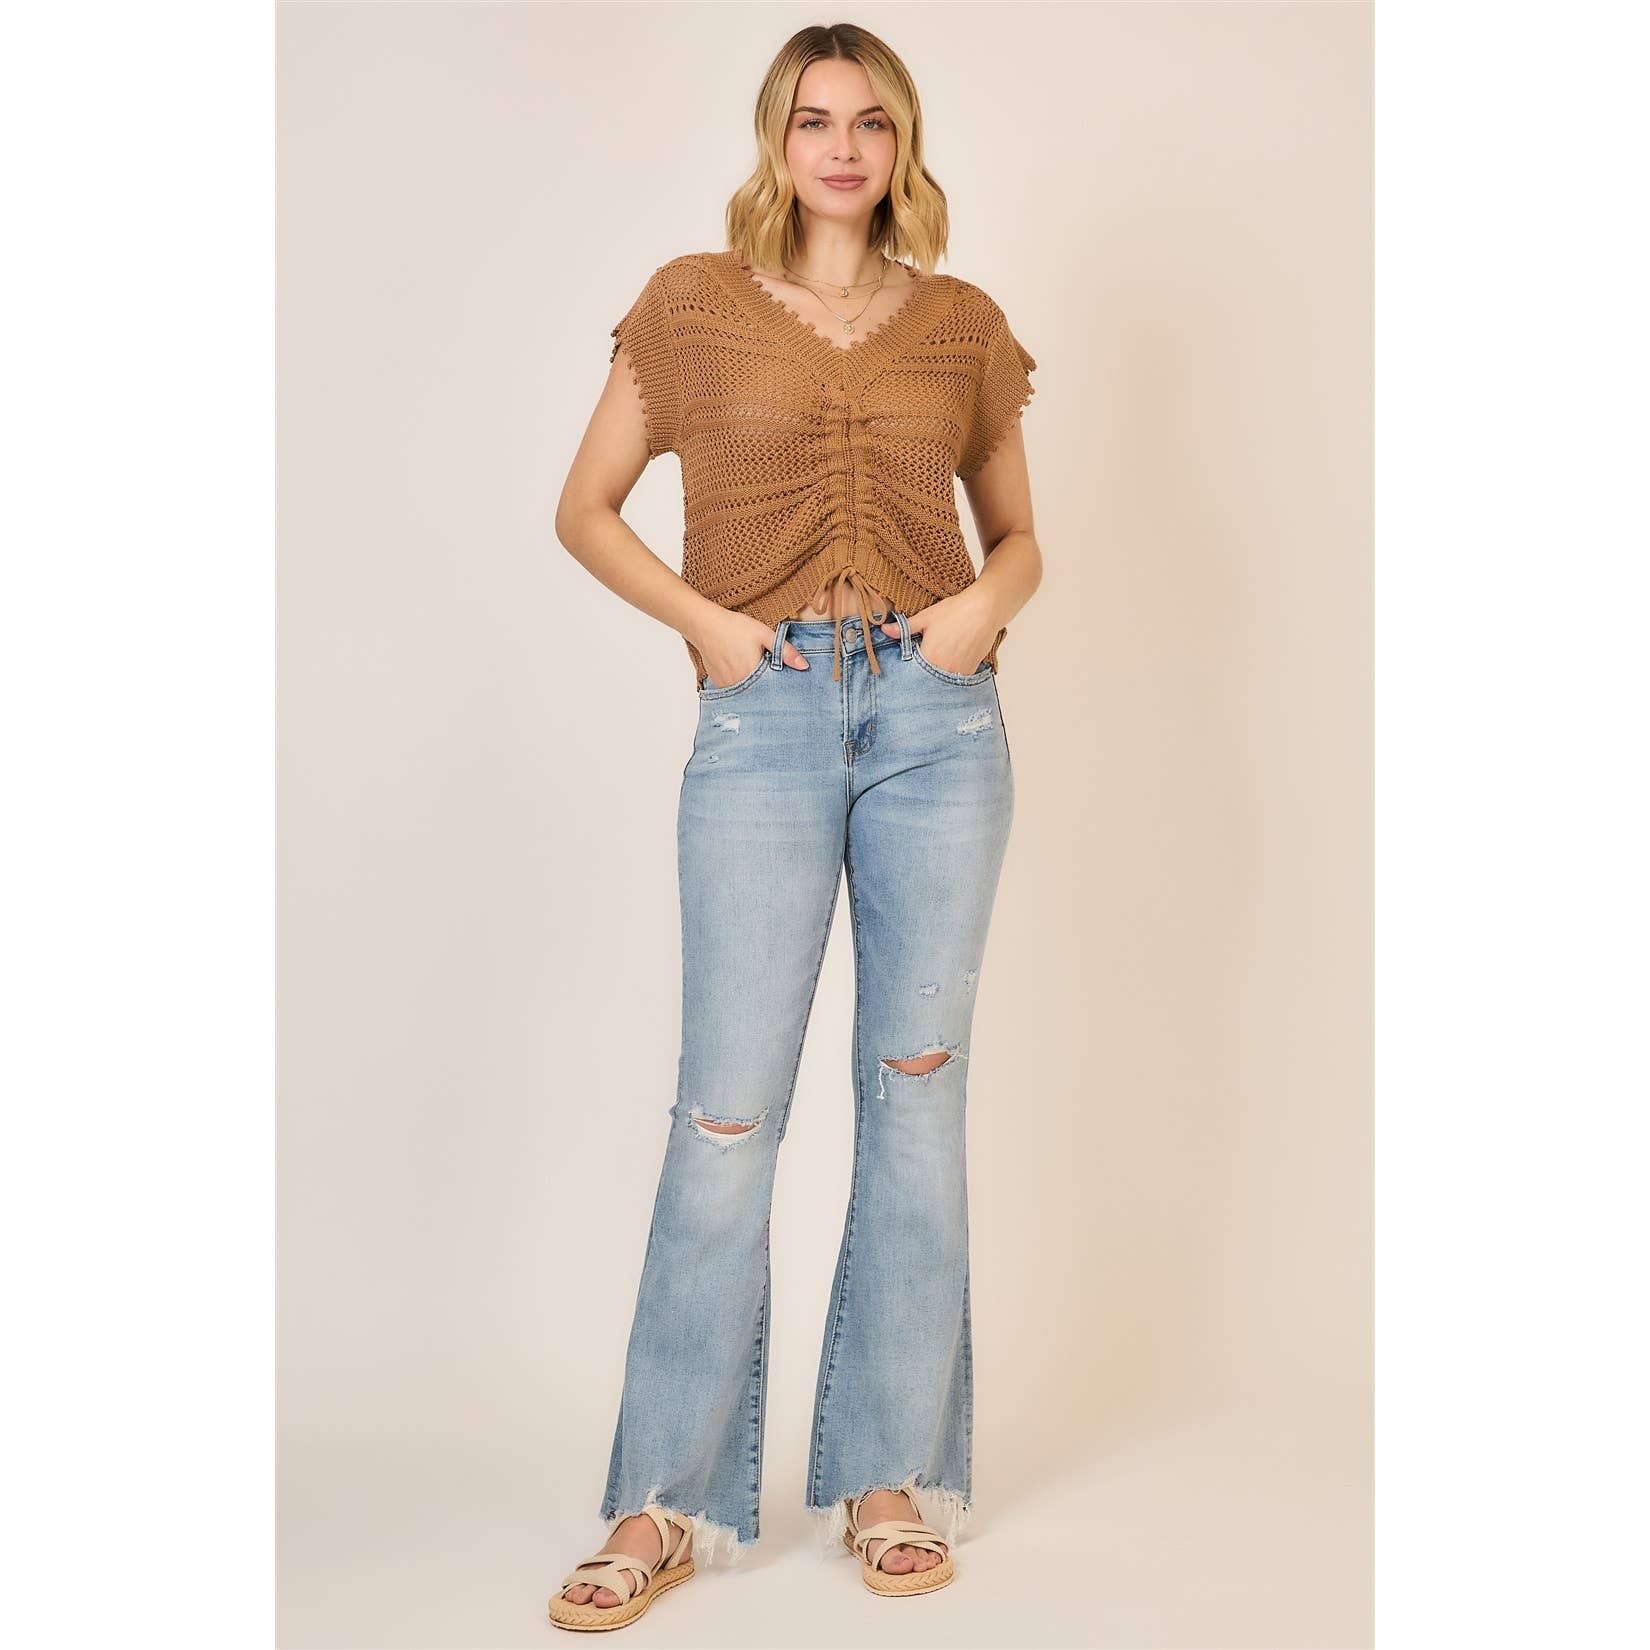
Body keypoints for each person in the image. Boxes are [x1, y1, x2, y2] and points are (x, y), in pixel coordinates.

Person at [548, 20, 1040, 1630]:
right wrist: (705, 624)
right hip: (759, 721)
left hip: (936, 729)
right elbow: (583, 508)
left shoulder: (962, 327)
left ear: (903, 146)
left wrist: (976, 614)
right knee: (725, 1114)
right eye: (814, 119)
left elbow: (1019, 538)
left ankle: (888, 1473)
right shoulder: (691, 306)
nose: (841, 147)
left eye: (870, 122)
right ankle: (662, 1496)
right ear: (776, 139)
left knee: (915, 1099)